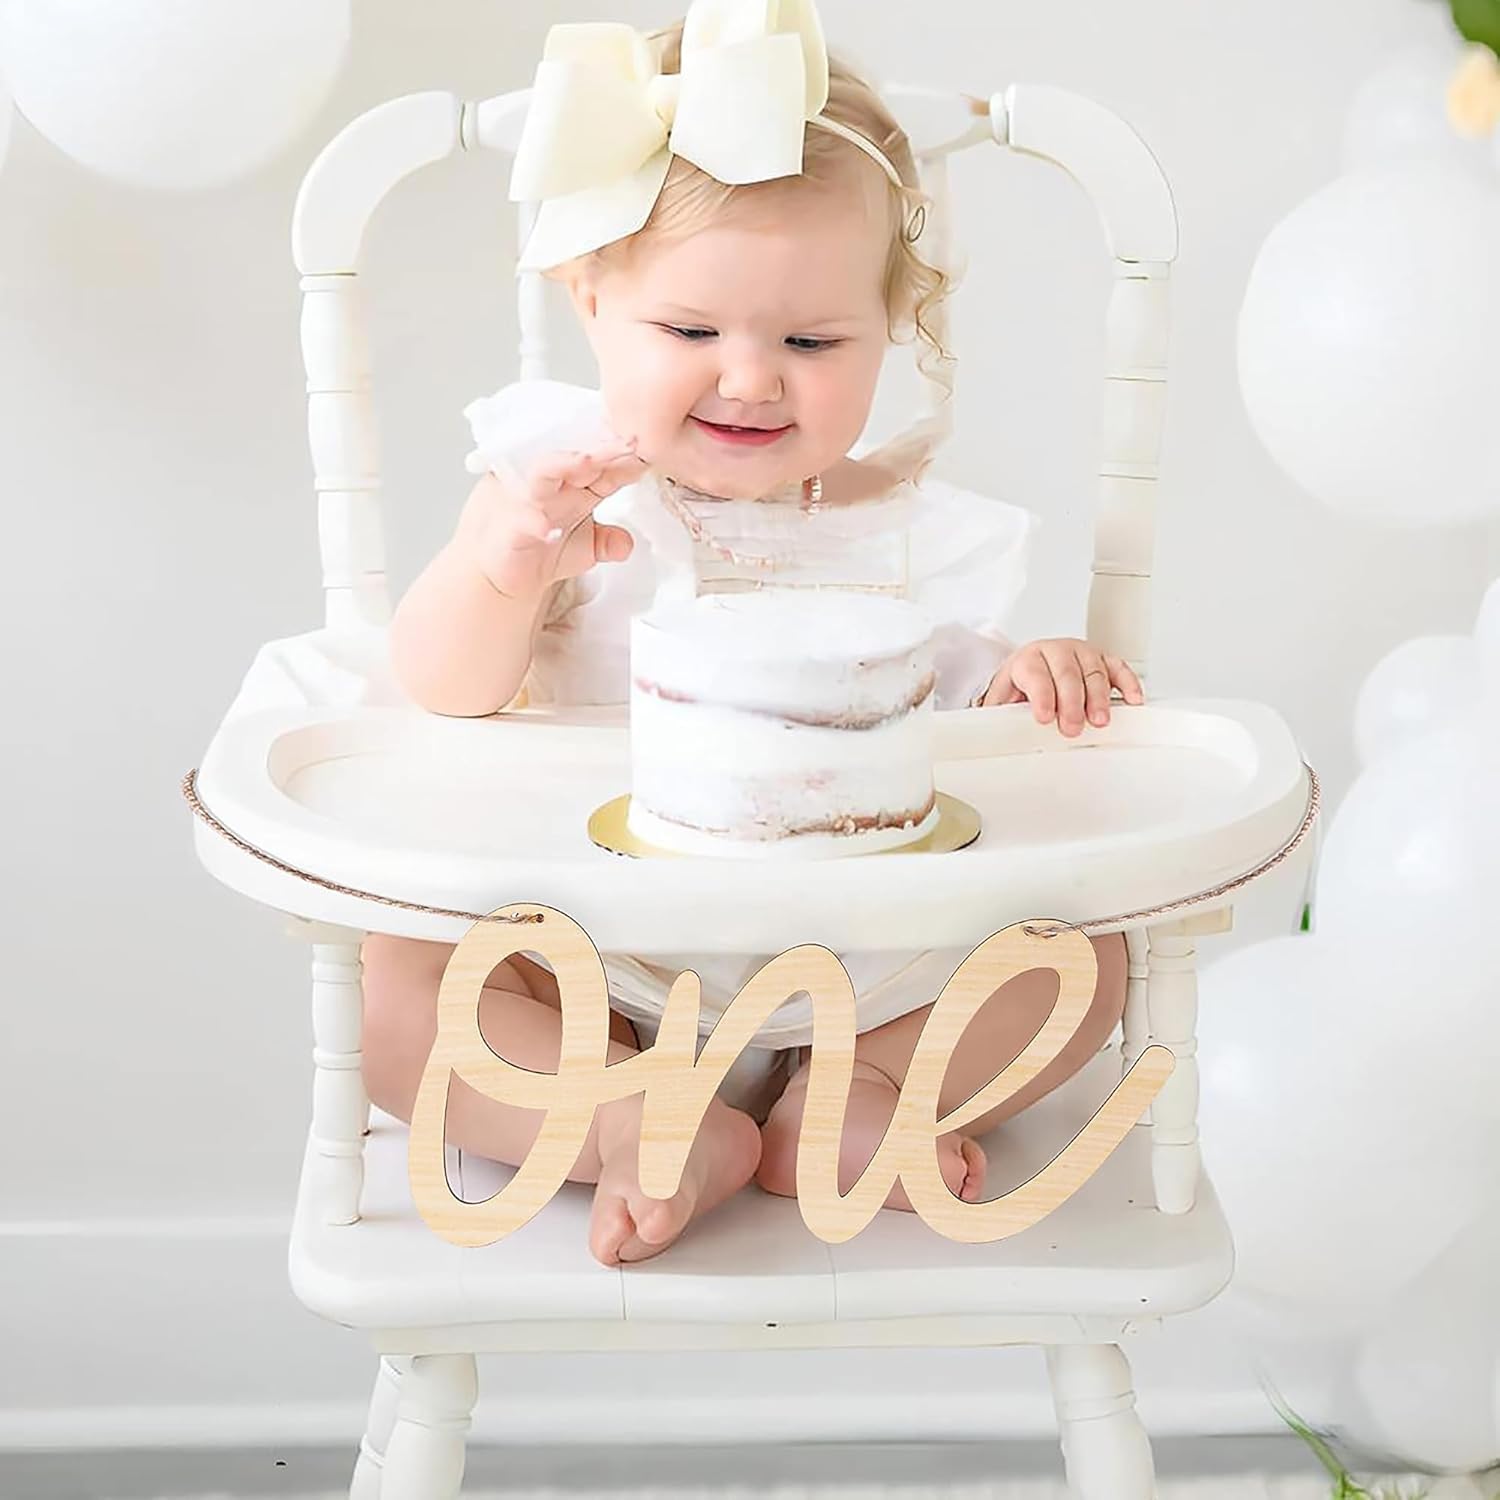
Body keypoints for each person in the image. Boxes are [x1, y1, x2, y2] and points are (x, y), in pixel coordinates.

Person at [361, 0, 1144, 1268]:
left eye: (812, 339)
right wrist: (504, 562)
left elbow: (976, 745)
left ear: (890, 330)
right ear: (590, 295)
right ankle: (632, 1120)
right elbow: (441, 689)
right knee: (398, 982)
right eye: (689, 331)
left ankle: (862, 1104)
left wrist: (1032, 678)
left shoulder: (923, 536)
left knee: (1083, 962)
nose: (749, 375)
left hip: (873, 970)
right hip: (595, 965)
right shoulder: (556, 493)